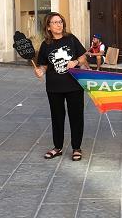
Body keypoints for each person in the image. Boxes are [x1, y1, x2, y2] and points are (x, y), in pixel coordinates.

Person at [34, 12, 89, 161]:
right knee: (57, 117)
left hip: (74, 86)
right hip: (54, 87)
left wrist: (76, 62)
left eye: (61, 22)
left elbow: (83, 57)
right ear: (48, 27)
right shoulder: (45, 45)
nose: (59, 25)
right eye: (55, 22)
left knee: (76, 117)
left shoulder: (70, 39)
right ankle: (57, 147)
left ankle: (76, 148)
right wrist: (40, 72)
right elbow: (44, 66)